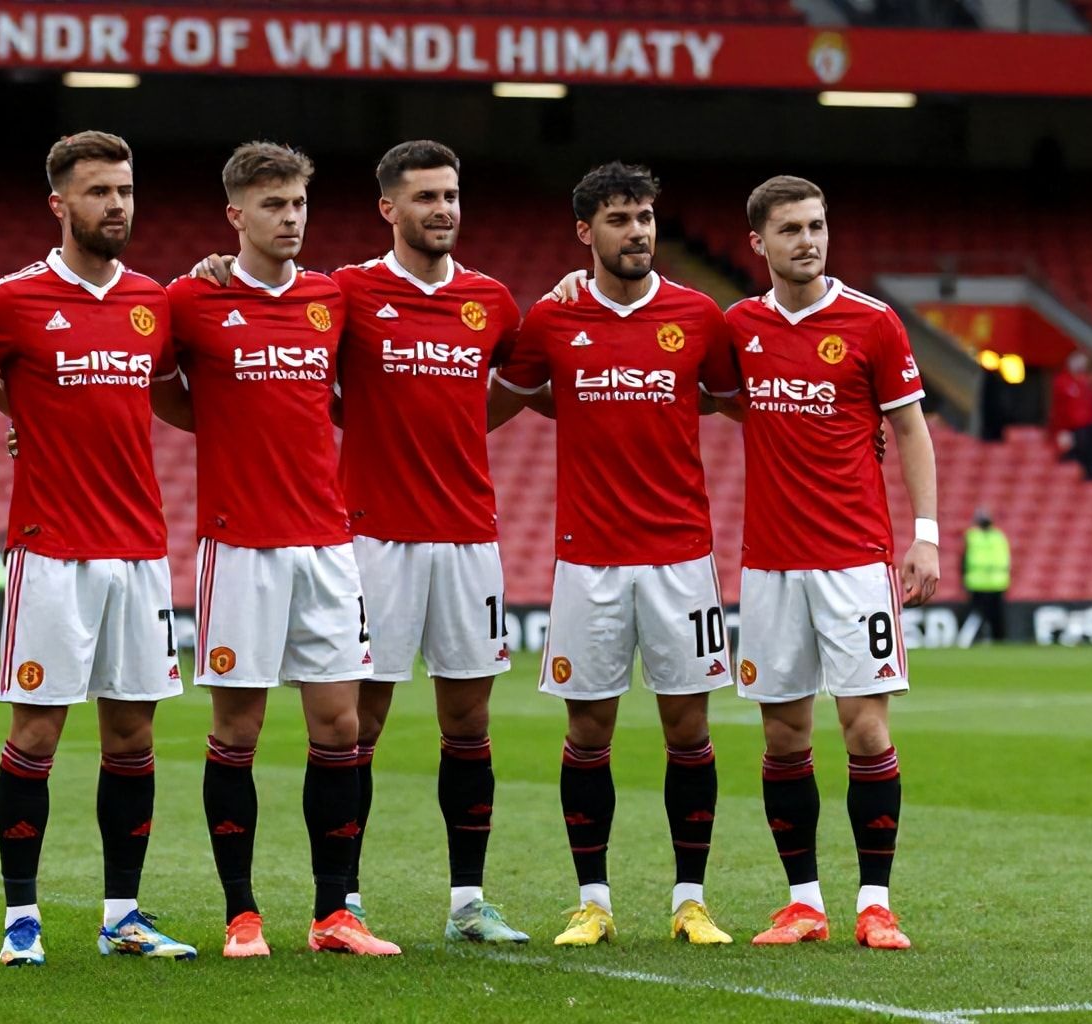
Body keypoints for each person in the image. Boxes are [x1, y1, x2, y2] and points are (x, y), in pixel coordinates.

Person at [192, 140, 528, 944]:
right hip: (367, 535)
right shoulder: (345, 292)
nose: (443, 209)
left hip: (470, 533)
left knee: (469, 721)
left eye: (452, 195)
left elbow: (528, 380)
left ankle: (466, 902)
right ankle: (346, 896)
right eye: (426, 198)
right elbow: (275, 368)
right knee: (356, 723)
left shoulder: (494, 300)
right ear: (390, 208)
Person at [0, 130, 196, 966]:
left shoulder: (156, 301)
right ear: (60, 204)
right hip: (51, 552)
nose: (116, 205)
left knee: (133, 740)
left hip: (140, 551)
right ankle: (22, 918)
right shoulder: (13, 300)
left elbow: (178, 395)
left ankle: (122, 913)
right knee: (37, 738)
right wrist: (24, 415)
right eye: (98, 192)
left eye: (124, 190)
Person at [156, 141, 398, 957]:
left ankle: (335, 912)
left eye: (298, 204)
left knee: (339, 725)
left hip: (329, 544)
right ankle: (241, 912)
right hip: (239, 547)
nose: (290, 219)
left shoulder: (333, 297)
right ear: (236, 216)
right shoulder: (192, 299)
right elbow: (147, 382)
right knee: (239, 730)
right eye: (272, 206)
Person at [493, 162, 740, 948]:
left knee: (688, 731)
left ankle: (690, 900)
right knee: (588, 732)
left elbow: (739, 399)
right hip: (587, 558)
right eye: (619, 219)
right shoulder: (551, 322)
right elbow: (496, 397)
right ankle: (592, 900)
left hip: (681, 558)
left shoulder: (698, 316)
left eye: (644, 218)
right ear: (585, 233)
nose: (636, 232)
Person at [723, 175, 939, 950]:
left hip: (854, 560)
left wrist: (928, 534)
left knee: (865, 733)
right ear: (760, 243)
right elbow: (692, 377)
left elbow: (910, 430)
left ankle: (875, 903)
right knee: (783, 737)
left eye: (816, 225)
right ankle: (804, 902)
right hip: (770, 564)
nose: (808, 240)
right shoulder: (737, 327)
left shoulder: (874, 324)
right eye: (790, 230)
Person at [1049, 351, 1092, 479]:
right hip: (1069, 428)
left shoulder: (1085, 382)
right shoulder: (1062, 382)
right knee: (1070, 460)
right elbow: (1059, 408)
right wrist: (1061, 430)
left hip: (1087, 427)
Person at [961, 509, 1011, 643]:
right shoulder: (997, 536)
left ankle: (997, 641)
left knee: (991, 616)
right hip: (986, 583)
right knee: (985, 616)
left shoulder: (974, 536)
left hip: (989, 583)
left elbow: (963, 560)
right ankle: (976, 640)